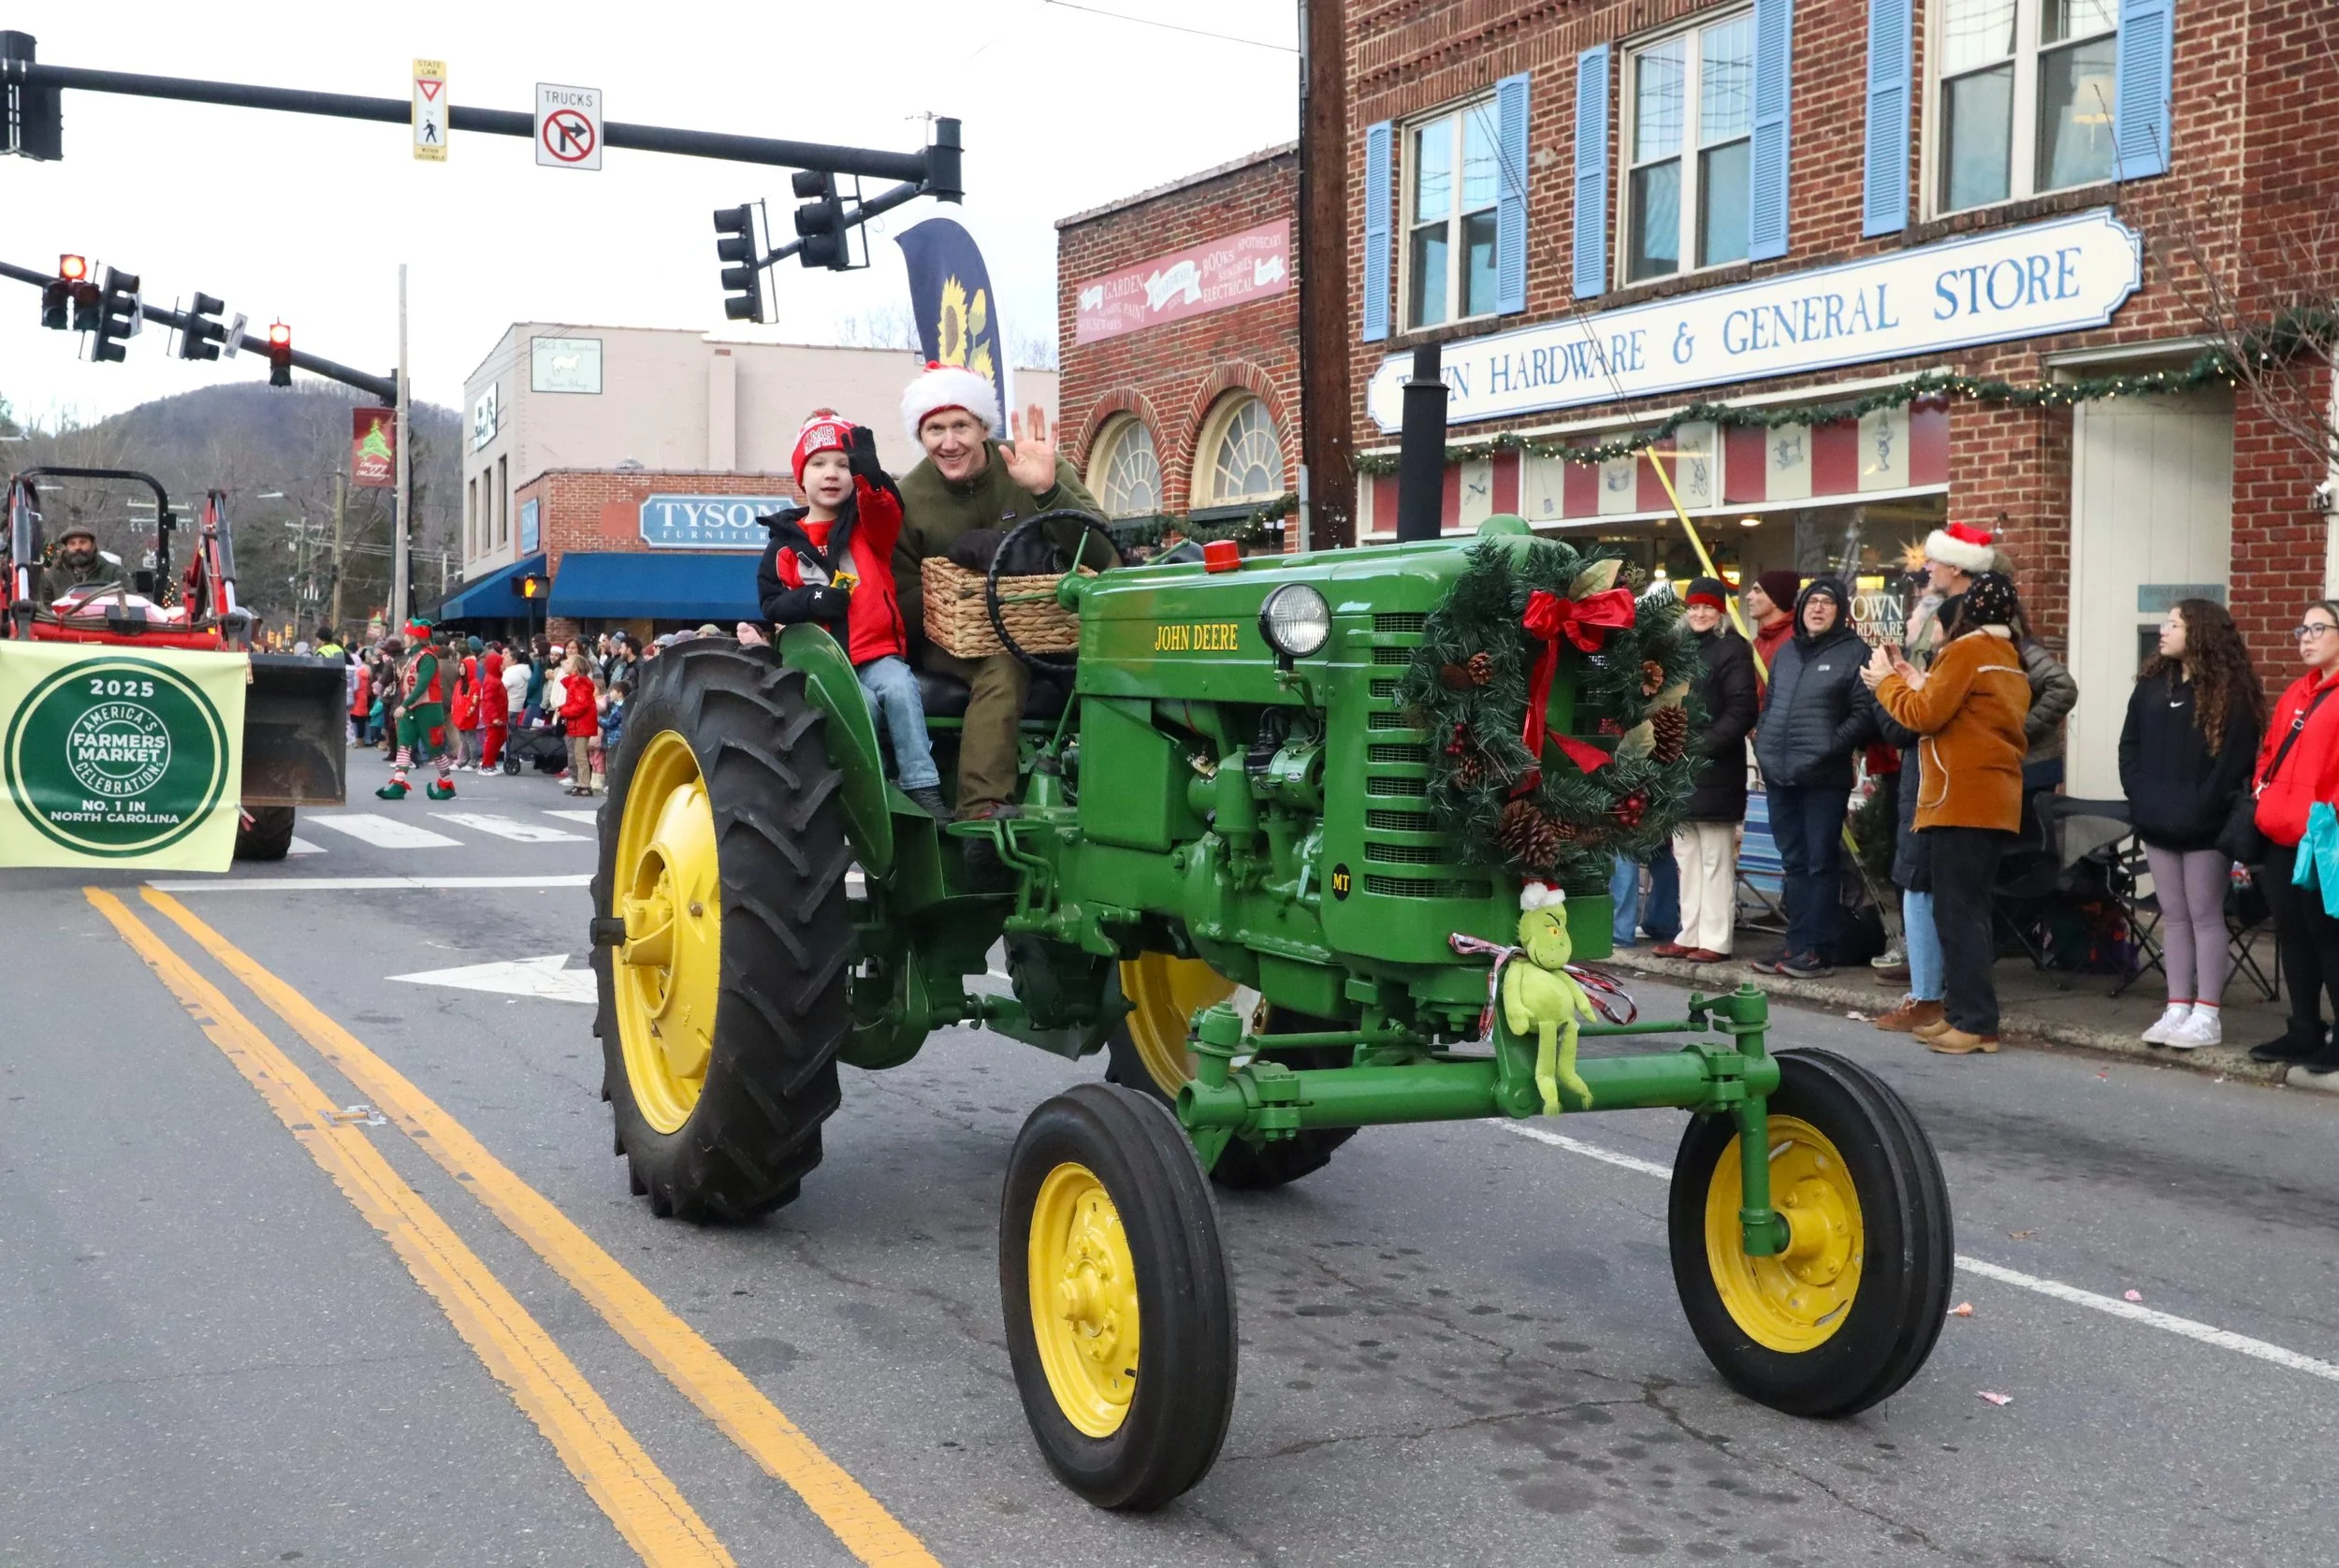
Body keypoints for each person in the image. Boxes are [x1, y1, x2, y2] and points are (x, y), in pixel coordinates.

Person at [891, 365, 1108, 820]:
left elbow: (1103, 554)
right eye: (935, 429)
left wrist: (1048, 493)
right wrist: (961, 598)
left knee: (1115, 667)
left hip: (1060, 629)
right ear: (921, 435)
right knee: (1002, 668)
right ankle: (983, 811)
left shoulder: (1035, 463)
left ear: (984, 428)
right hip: (958, 642)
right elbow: (904, 594)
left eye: (960, 426)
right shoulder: (908, 498)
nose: (949, 443)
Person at [1863, 570, 2030, 1055]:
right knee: (1968, 910)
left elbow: (1923, 716)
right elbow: (1955, 705)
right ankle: (1962, 1013)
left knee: (1957, 914)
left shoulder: (1966, 651)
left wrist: (1885, 684)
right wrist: (1915, 677)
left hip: (1959, 798)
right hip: (1993, 798)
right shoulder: (2006, 657)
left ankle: (1976, 1022)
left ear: (1969, 611)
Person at [759, 410, 950, 820]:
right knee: (862, 705)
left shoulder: (868, 528)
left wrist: (870, 478)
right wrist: (811, 600)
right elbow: (772, 602)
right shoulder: (784, 546)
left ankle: (922, 783)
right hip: (828, 667)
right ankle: (875, 786)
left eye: (843, 465)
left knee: (900, 688)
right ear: (801, 477)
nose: (832, 473)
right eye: (819, 464)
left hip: (878, 654)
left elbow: (886, 510)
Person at [2117, 599, 2263, 1050]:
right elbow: (2130, 745)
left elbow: (2232, 763)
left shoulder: (2230, 692)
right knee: (2174, 915)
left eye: (2174, 624)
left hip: (2204, 825)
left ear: (2199, 632)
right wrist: (2140, 795)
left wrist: (2200, 806)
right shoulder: (2151, 684)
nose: (2163, 630)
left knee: (2204, 914)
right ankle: (2177, 1004)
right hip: (2157, 818)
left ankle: (2208, 1014)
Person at [1871, 520, 1997, 1034]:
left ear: (1957, 569)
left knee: (1941, 891)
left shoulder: (1976, 636)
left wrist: (1890, 688)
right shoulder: (1955, 626)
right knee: (1919, 881)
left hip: (1948, 772)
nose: (1926, 569)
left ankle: (1948, 1004)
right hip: (1925, 767)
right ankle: (1934, 995)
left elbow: (2034, 691)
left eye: (1936, 562)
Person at [1751, 576, 1875, 978]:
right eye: (1811, 603)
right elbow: (1770, 705)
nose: (1817, 609)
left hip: (1824, 777)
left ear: (1840, 611)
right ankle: (1796, 943)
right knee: (1794, 862)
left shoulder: (1854, 653)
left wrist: (1830, 746)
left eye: (1827, 603)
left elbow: (1863, 713)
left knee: (1821, 863)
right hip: (1780, 774)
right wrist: (1766, 747)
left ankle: (1818, 949)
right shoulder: (1787, 653)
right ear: (1800, 609)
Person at [2244, 601, 2339, 1071]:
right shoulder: (2295, 694)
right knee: (2293, 934)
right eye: (2303, 628)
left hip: (2325, 839)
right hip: (2281, 834)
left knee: (2329, 937)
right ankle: (2304, 1027)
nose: (2306, 637)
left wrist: (2329, 813)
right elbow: (2268, 752)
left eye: (2319, 628)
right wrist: (2264, 795)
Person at [1663, 577, 1759, 964]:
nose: (1699, 613)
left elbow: (1742, 709)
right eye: (1694, 606)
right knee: (1685, 856)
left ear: (1720, 612)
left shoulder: (1732, 649)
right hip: (1679, 767)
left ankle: (1716, 939)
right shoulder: (1679, 650)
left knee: (1715, 858)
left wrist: (1701, 746)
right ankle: (1689, 932)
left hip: (1715, 768)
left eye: (1708, 607)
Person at [379, 620, 458, 801]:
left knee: (435, 748)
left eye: (406, 635)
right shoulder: (412, 657)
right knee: (404, 744)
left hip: (428, 708)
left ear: (413, 637)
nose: (404, 638)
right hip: (411, 707)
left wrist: (404, 705)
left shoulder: (427, 657)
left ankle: (446, 784)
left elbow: (423, 684)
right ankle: (398, 785)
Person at [36, 523, 125, 603]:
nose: (77, 547)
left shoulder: (114, 573)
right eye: (72, 543)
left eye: (83, 542)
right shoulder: (52, 576)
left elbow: (129, 605)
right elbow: (44, 609)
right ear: (66, 548)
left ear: (93, 545)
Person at [1744, 568, 1799, 691]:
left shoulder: (1796, 640)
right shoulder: (1757, 642)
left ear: (1775, 599)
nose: (1748, 596)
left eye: (1757, 591)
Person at [558, 652, 601, 796]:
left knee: (581, 755)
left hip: (582, 724)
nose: (565, 663)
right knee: (578, 754)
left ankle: (585, 785)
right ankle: (581, 783)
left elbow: (581, 706)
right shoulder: (575, 683)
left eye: (568, 662)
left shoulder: (579, 683)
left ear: (576, 668)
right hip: (579, 724)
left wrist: (564, 710)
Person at [479, 640, 510, 775]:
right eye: (501, 663)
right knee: (493, 740)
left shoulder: (494, 679)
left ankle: (489, 763)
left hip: (499, 715)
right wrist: (494, 717)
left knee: (499, 738)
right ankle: (486, 764)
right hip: (495, 716)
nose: (503, 666)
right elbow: (489, 701)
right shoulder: (492, 680)